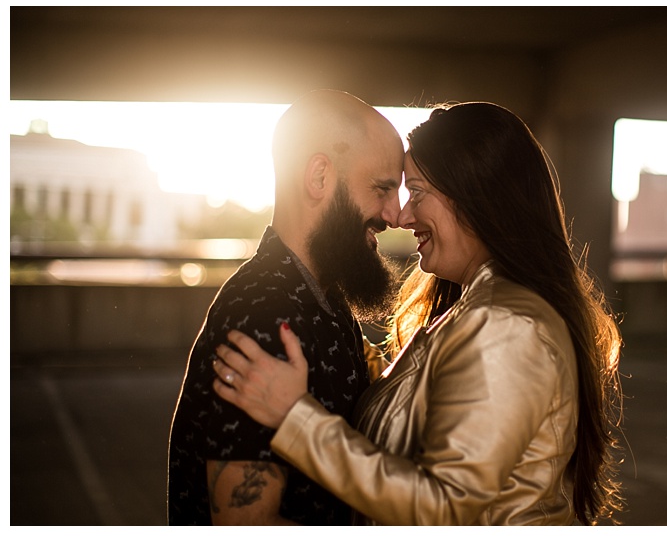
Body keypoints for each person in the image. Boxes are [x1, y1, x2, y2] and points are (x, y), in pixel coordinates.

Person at [211, 102, 625, 525]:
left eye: (418, 192)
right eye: (390, 191)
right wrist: (328, 338)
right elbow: (422, 397)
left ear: (477, 195)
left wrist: (295, 418)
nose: (403, 216)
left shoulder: (507, 325)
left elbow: (443, 509)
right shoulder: (482, 311)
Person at [167, 89, 405, 525]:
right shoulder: (265, 312)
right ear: (319, 177)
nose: (395, 214)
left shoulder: (325, 297)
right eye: (382, 189)